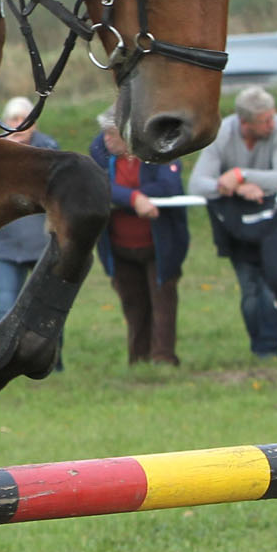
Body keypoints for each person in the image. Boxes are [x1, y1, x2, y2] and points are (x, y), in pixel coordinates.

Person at [191, 86, 277, 358]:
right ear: (244, 123)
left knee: (271, 283)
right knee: (250, 290)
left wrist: (240, 175)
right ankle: (259, 347)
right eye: (265, 120)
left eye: (272, 117)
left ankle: (269, 351)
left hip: (274, 223)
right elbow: (196, 184)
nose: (271, 124)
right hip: (237, 225)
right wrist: (234, 187)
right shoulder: (222, 134)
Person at [89, 108, 188, 365]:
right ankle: (138, 359)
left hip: (160, 245)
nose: (107, 140)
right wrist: (133, 198)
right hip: (118, 245)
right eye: (106, 134)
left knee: (163, 303)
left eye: (113, 135)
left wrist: (136, 196)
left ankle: (164, 358)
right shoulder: (99, 150)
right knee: (133, 304)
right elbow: (97, 185)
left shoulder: (160, 148)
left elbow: (170, 186)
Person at [0, 97, 58, 325]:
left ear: (33, 124)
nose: (18, 125)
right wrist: (6, 150)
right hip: (7, 250)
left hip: (42, 248)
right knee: (2, 311)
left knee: (45, 314)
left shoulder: (49, 149)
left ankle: (53, 362)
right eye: (12, 120)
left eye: (23, 120)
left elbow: (47, 186)